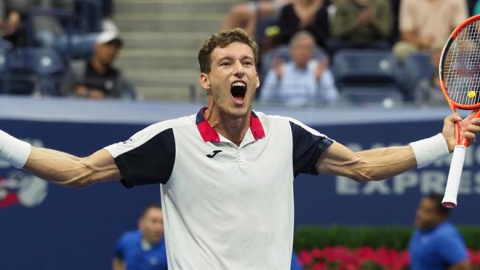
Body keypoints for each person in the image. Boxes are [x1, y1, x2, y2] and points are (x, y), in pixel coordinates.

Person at [0, 28, 479, 269]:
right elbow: (78, 172)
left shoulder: (287, 134)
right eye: (226, 62)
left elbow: (363, 167)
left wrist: (441, 142)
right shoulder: (170, 142)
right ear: (207, 80)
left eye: (247, 62)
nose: (240, 70)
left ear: (255, 76)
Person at [260, 31, 339, 106]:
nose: (304, 52)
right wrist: (277, 80)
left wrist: (320, 82)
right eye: (300, 47)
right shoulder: (279, 70)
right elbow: (265, 101)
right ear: (291, 50)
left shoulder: (319, 70)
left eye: (308, 49)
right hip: (284, 116)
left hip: (313, 117)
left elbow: (333, 101)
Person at [60, 30, 136, 99]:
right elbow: (64, 94)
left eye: (116, 48)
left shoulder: (118, 77)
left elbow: (123, 99)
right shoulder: (77, 70)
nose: (111, 51)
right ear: (97, 47)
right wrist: (86, 95)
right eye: (108, 46)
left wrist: (100, 97)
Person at [409, 194, 470, 270]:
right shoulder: (419, 232)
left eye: (427, 211)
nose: (419, 214)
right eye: (420, 208)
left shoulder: (445, 236)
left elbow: (463, 266)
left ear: (441, 215)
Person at [392, 0, 468, 62]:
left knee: (469, 47)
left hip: (446, 43)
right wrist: (421, 42)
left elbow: (461, 31)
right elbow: (406, 33)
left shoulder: (457, 1)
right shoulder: (408, 1)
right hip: (419, 45)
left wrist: (442, 43)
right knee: (400, 49)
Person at [113, 204, 168, 270]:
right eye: (154, 221)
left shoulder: (167, 252)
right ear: (141, 223)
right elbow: (118, 259)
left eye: (162, 222)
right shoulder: (126, 241)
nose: (159, 228)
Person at [219, 0, 291, 38]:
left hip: (285, 11)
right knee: (237, 12)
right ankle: (220, 43)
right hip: (260, 7)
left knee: (239, 12)